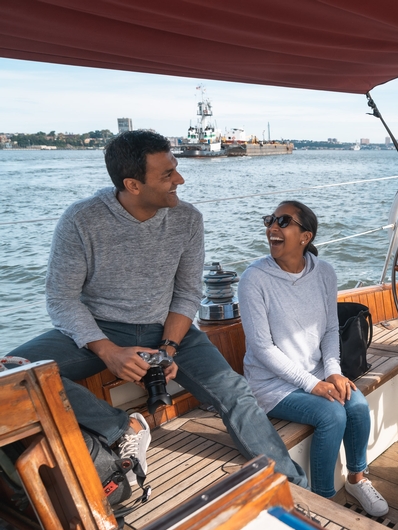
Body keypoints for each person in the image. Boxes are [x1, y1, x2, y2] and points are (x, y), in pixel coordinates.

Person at [6, 130, 306, 489]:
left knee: (236, 392)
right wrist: (108, 351)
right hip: (100, 329)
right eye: (167, 175)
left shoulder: (187, 220)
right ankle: (122, 427)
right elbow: (62, 299)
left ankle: (293, 488)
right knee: (12, 378)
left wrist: (168, 349)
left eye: (175, 169)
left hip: (168, 328)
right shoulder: (82, 220)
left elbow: (187, 293)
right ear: (132, 184)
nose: (180, 179)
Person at [238, 200, 389, 516]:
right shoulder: (254, 279)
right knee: (332, 415)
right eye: (271, 220)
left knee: (358, 407)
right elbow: (263, 350)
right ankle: (323, 501)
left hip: (317, 371)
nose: (272, 227)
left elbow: (331, 328)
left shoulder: (324, 273)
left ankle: (357, 479)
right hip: (271, 383)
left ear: (305, 237)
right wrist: (311, 384)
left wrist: (332, 371)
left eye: (283, 221)